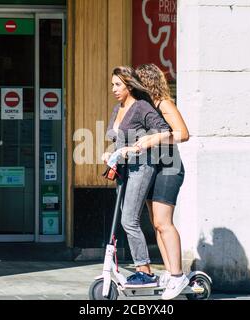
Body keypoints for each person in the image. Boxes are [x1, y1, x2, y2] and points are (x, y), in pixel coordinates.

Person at [102, 66, 171, 288]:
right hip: (122, 169)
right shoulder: (118, 108)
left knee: (128, 220)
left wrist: (138, 147)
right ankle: (143, 270)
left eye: (118, 84)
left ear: (129, 85)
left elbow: (164, 130)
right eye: (112, 84)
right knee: (125, 218)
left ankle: (144, 271)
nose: (113, 89)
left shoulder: (141, 107)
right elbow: (117, 138)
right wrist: (110, 152)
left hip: (141, 167)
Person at [135, 63, 190, 300]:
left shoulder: (164, 104)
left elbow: (183, 134)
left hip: (169, 168)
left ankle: (178, 276)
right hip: (152, 169)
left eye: (136, 82)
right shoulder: (144, 107)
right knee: (156, 223)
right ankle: (170, 272)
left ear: (147, 82)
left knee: (163, 222)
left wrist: (156, 138)